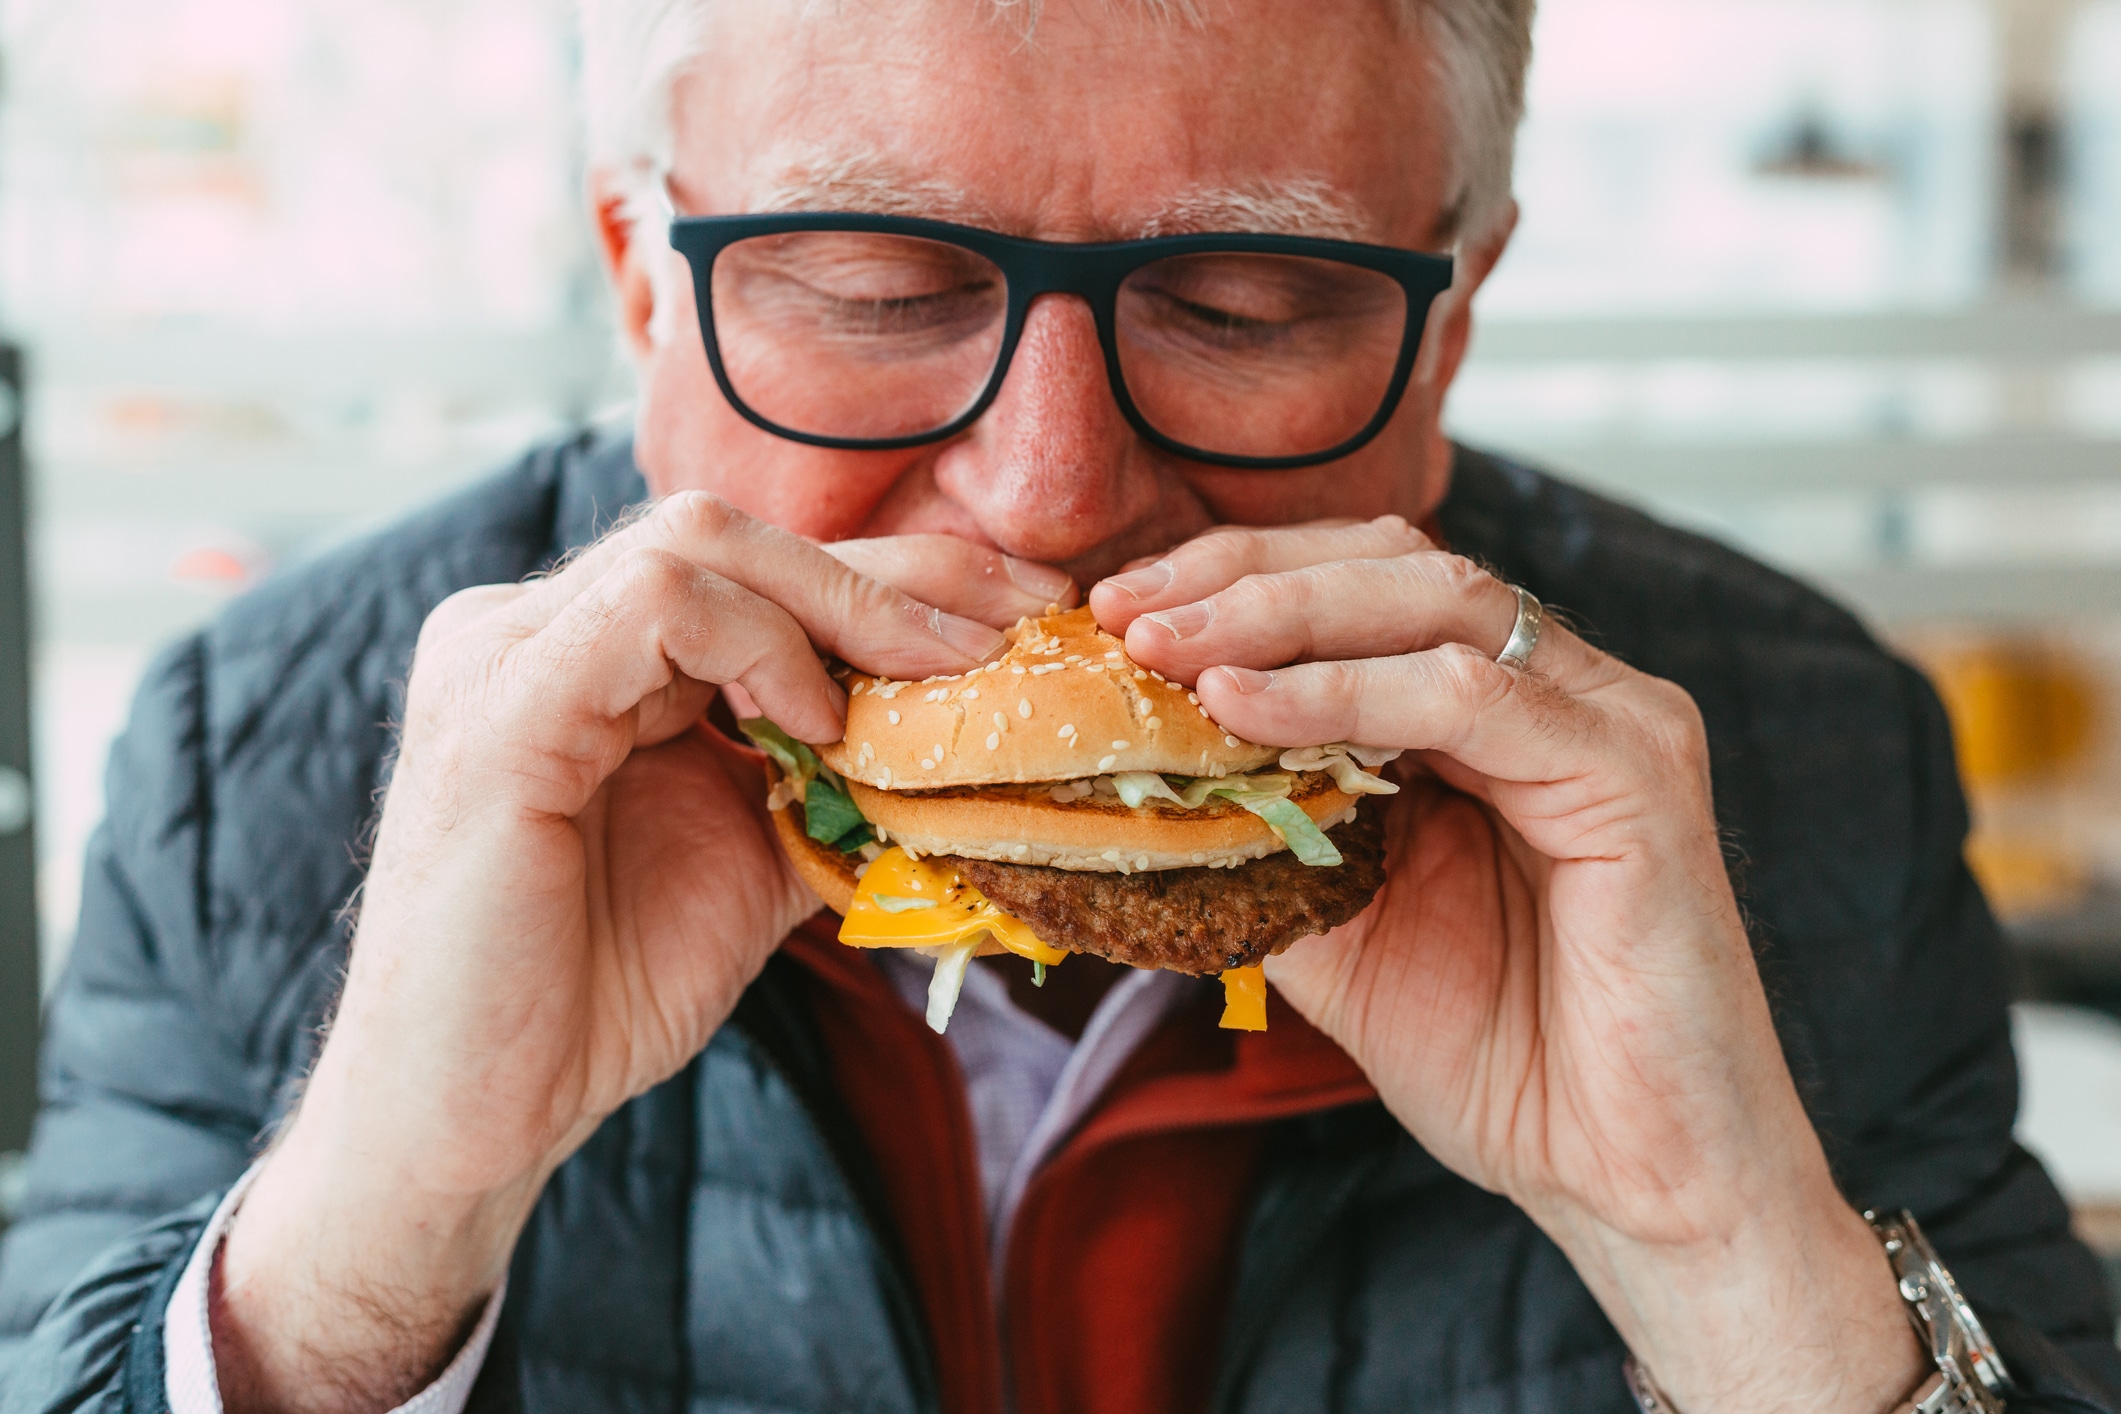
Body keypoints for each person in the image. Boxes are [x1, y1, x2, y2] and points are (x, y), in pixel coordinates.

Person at [3, 1, 2117, 1411]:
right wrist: (372, 1241)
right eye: (872, 290)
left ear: (1449, 321)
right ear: (642, 278)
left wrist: (1732, 1266)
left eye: (1243, 305)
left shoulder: (1773, 750)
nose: (1050, 489)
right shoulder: (264, 741)